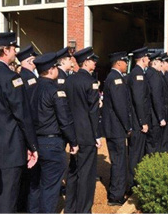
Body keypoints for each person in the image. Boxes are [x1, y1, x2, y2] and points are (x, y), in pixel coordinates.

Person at [31, 52, 79, 213]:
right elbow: (64, 120)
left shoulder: (31, 88)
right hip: (52, 143)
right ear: (51, 70)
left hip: (34, 142)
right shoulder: (55, 90)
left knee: (36, 185)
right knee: (50, 188)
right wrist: (73, 142)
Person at [0, 32, 39, 213]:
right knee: (8, 198)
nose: (15, 51)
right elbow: (22, 114)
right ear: (5, 50)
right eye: (13, 48)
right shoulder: (10, 77)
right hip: (9, 148)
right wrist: (32, 145)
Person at [64, 47, 101, 213]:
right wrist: (97, 135)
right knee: (86, 174)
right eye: (93, 60)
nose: (95, 63)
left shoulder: (69, 80)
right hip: (86, 134)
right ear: (86, 61)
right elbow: (93, 111)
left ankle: (70, 208)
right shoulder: (90, 81)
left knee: (73, 172)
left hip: (73, 132)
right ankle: (84, 210)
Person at [102, 51, 132, 205]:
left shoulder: (112, 77)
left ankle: (116, 191)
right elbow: (120, 106)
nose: (127, 64)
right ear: (118, 63)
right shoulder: (116, 79)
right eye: (125, 62)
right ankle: (116, 195)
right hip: (117, 128)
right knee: (119, 161)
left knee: (117, 160)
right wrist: (128, 126)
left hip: (113, 127)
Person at [15, 44, 39, 212]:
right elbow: (31, 107)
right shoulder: (27, 77)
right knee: (30, 175)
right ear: (30, 61)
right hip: (31, 130)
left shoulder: (25, 76)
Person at [126, 47, 150, 193]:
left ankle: (136, 181)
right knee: (135, 154)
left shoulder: (140, 73)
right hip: (137, 121)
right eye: (147, 57)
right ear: (142, 59)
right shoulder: (137, 74)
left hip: (138, 120)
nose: (149, 60)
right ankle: (132, 185)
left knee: (139, 153)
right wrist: (143, 121)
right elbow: (139, 100)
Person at [145, 51, 166, 154]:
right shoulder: (154, 75)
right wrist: (160, 117)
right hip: (154, 116)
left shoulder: (150, 73)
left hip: (152, 115)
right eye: (159, 62)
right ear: (154, 62)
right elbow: (156, 97)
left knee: (152, 143)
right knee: (154, 144)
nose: (161, 64)